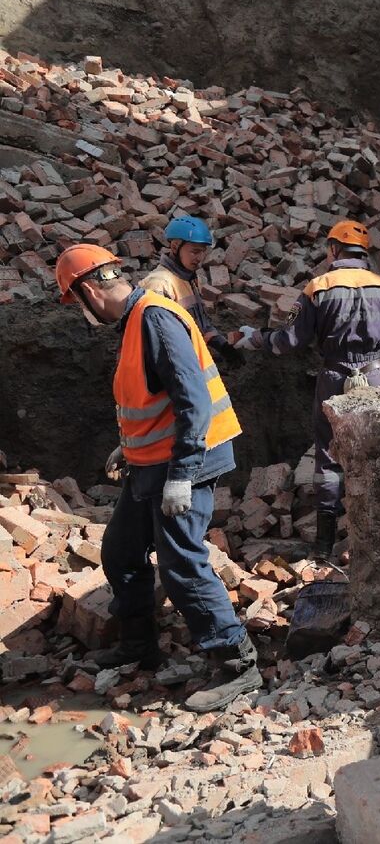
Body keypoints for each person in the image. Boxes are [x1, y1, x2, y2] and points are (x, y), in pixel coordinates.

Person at [55, 244, 258, 713]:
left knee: (181, 562)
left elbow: (194, 403)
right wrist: (128, 447)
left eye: (76, 303)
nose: (81, 314)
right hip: (152, 461)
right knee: (122, 552)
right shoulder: (135, 322)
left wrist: (182, 476)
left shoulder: (154, 318)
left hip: (188, 461)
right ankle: (139, 646)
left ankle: (236, 662)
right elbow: (152, 401)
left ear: (87, 290)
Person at [236, 221, 380, 558]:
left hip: (334, 376)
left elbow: (290, 341)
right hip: (376, 376)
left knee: (329, 456)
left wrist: (256, 337)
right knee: (374, 452)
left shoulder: (319, 286)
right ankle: (374, 541)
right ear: (365, 252)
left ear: (334, 249)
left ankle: (324, 544)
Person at [139, 215, 243, 370]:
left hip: (189, 364)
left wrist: (221, 345)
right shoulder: (159, 284)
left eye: (203, 252)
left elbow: (199, 325)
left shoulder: (189, 279)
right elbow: (157, 343)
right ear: (175, 247)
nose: (200, 258)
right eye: (195, 251)